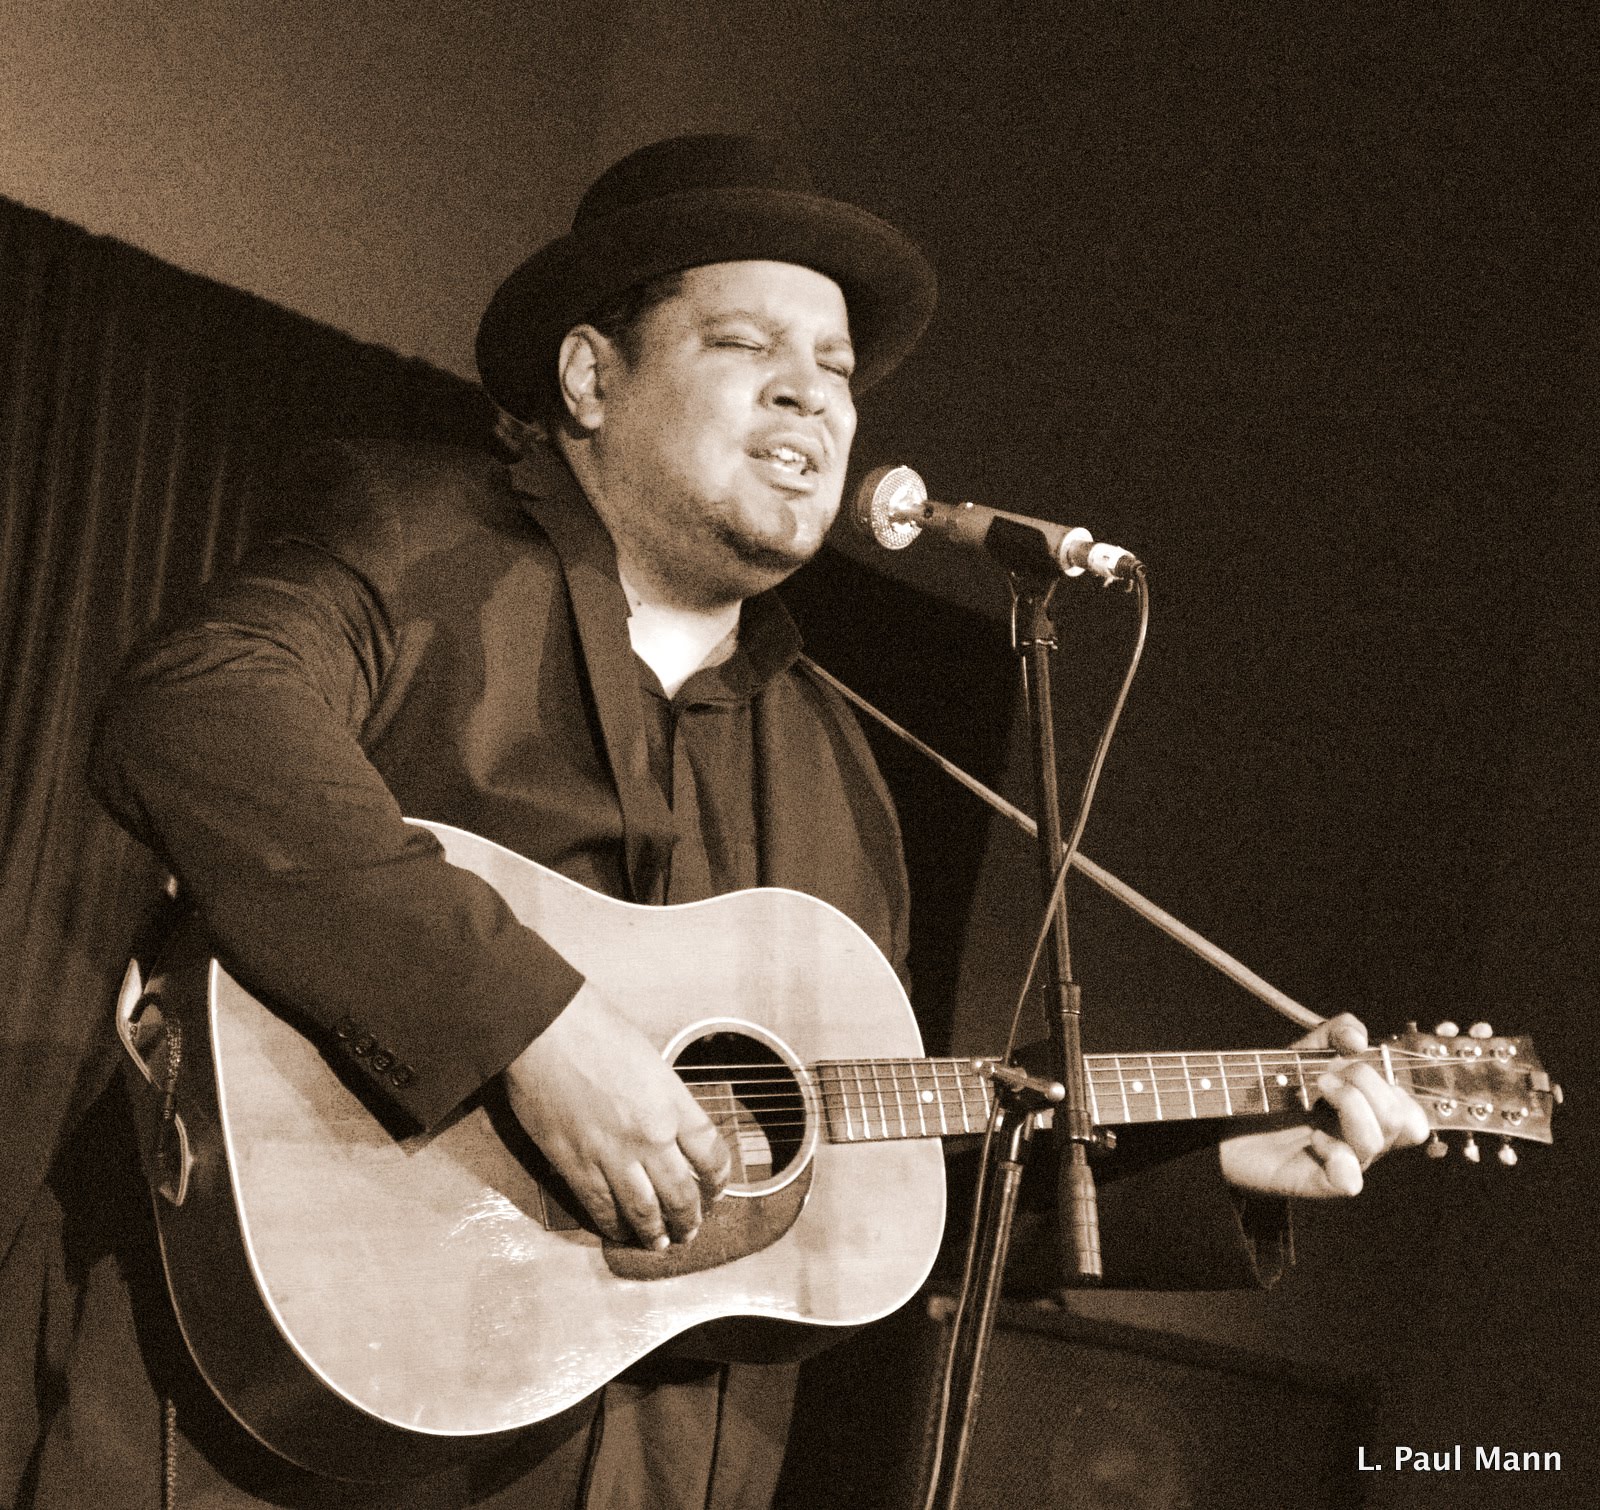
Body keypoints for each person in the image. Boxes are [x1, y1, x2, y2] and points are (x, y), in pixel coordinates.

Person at [35, 134, 1425, 1509]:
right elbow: (195, 716)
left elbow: (856, 1193)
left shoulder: (842, 779)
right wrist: (530, 1028)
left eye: (836, 369)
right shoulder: (418, 544)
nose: (812, 395)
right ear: (591, 378)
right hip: (276, 1449)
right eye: (747, 345)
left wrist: (1216, 1162)